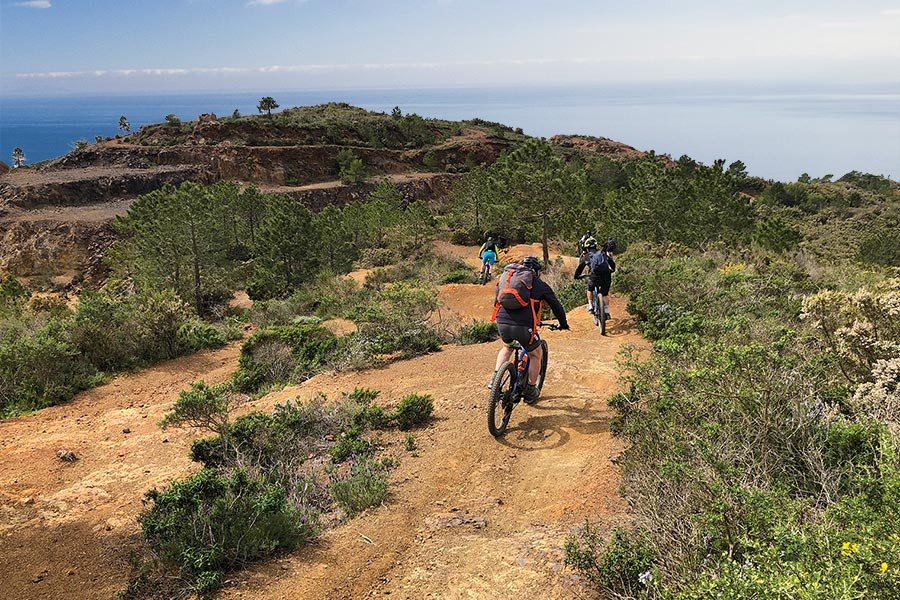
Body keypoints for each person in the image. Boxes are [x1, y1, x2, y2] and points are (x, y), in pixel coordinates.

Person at [489, 256, 569, 403]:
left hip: (502, 322)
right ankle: (531, 389)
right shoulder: (539, 284)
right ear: (536, 272)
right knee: (536, 354)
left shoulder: (507, 280)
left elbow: (497, 300)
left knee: (507, 348)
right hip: (525, 327)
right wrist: (563, 323)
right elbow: (556, 305)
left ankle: (495, 379)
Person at [574, 237, 616, 319]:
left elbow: (580, 267)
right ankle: (606, 311)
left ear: (586, 247)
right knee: (605, 294)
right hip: (606, 275)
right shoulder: (602, 253)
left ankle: (590, 306)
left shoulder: (587, 256)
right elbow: (611, 262)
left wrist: (577, 276)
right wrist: (612, 270)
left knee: (590, 288)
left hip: (595, 276)